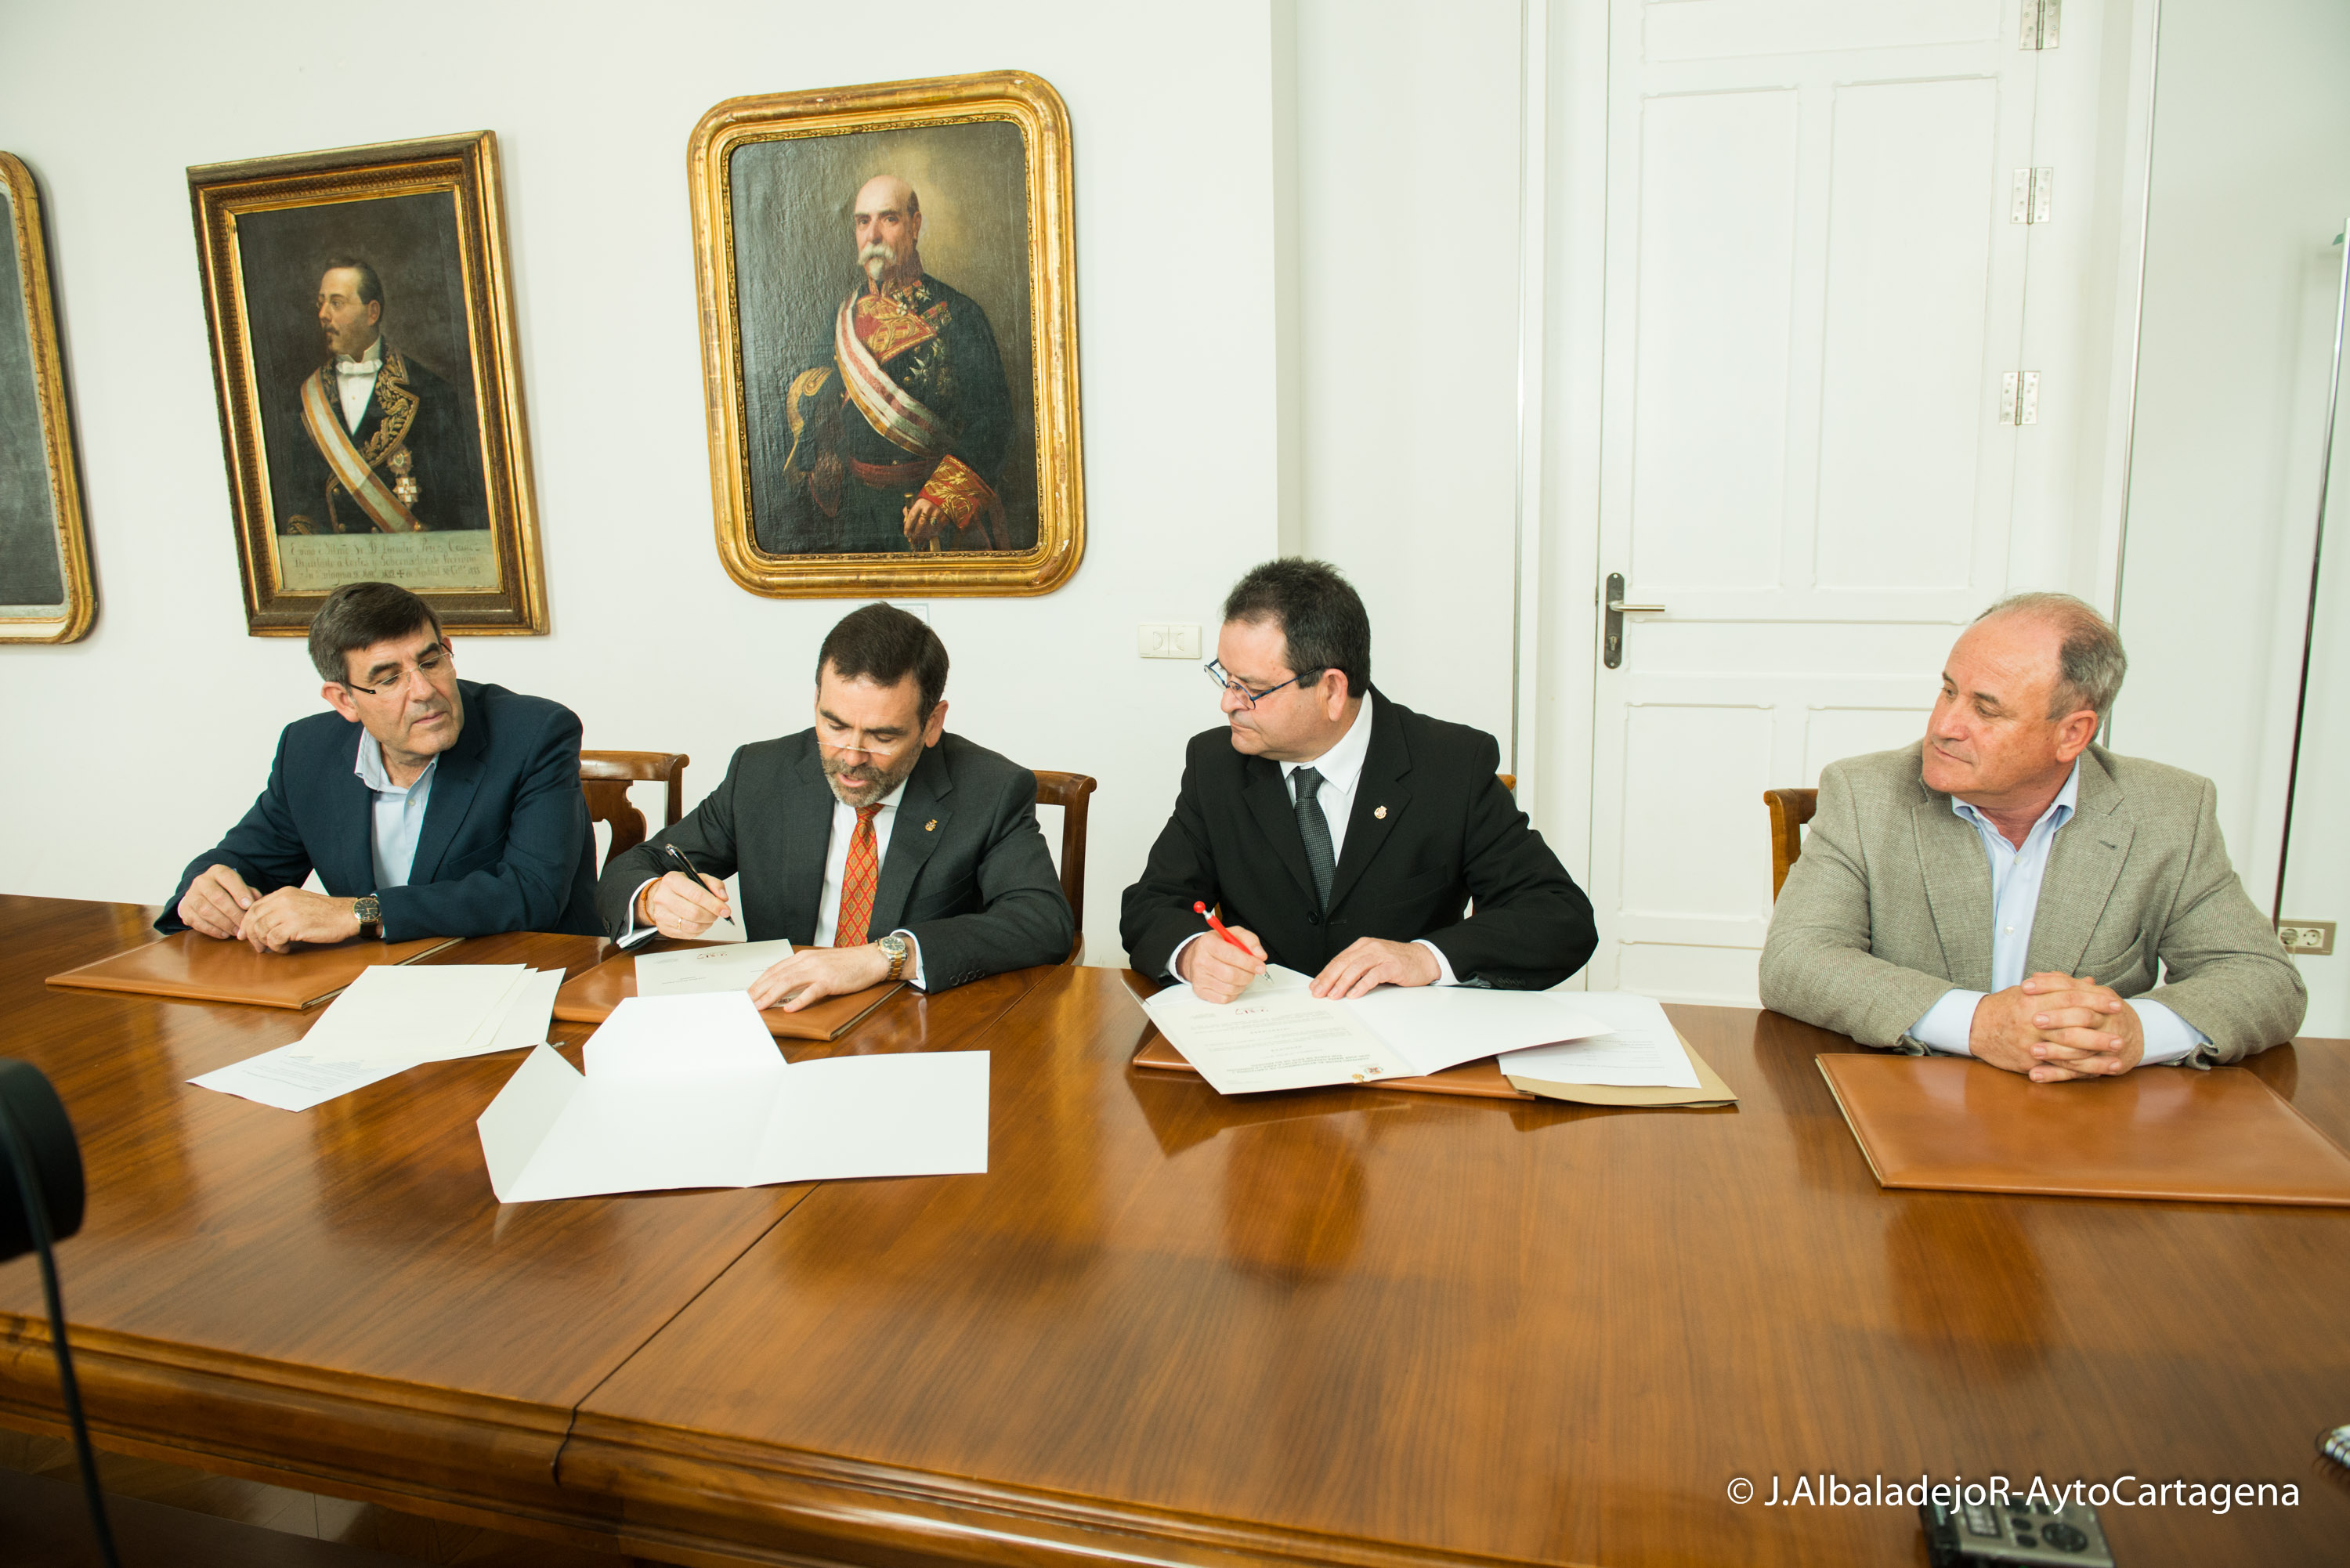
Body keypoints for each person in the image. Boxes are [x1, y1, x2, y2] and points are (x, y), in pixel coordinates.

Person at [1759, 592, 2305, 1080]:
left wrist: (2131, 1033)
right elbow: (1796, 960)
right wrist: (1977, 1023)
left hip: (2084, 1128)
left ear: (2072, 733)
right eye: (1948, 691)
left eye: (1985, 709)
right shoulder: (1865, 793)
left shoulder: (2169, 811)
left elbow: (2262, 979)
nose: (1945, 725)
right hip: (1906, 1104)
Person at [1120, 558, 1596, 1003]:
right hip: (1266, 1038)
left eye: (1254, 690)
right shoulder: (1215, 763)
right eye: (1225, 678)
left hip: (1409, 1050)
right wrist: (1192, 952)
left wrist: (1424, 957)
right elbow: (1151, 904)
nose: (1228, 703)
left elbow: (1559, 918)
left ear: (1331, 690)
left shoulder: (1450, 765)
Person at [595, 603, 1072, 1009]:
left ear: (932, 723)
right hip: (782, 1017)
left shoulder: (990, 789)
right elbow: (635, 868)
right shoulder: (762, 772)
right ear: (817, 700)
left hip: (912, 1025)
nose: (851, 756)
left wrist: (884, 956)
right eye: (835, 724)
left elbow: (1041, 921)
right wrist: (654, 896)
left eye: (883, 736)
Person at [162, 581, 599, 948]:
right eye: (389, 678)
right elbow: (247, 860)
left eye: (431, 661)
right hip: (369, 987)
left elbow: (532, 892)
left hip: (526, 978)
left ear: (448, 650)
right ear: (344, 700)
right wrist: (205, 889)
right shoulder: (310, 749)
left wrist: (361, 914)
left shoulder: (534, 733)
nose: (424, 690)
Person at [771, 175, 1014, 555]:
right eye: (862, 221)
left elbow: (993, 423)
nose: (873, 236)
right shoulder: (840, 318)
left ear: (915, 225)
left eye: (889, 219)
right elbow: (815, 400)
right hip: (855, 517)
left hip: (928, 517)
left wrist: (941, 499)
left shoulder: (961, 315)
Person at [275, 258, 488, 535]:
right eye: (321, 303)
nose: (323, 314)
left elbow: (460, 508)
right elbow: (301, 501)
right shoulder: (306, 399)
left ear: (372, 312)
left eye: (337, 303)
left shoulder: (432, 394)